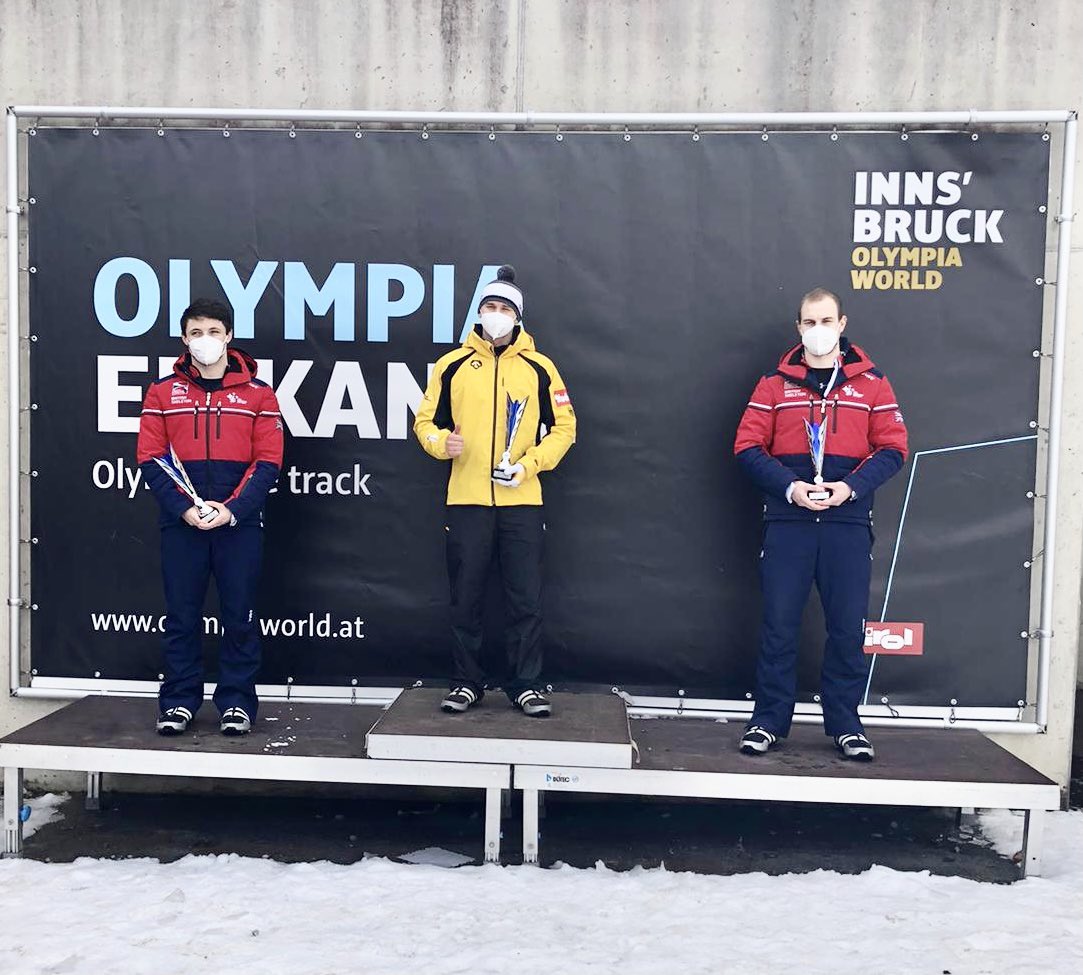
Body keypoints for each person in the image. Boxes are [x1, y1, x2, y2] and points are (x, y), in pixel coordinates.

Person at [733, 287, 907, 760]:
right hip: (788, 520)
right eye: (809, 323)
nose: (817, 331)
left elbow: (893, 447)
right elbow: (747, 447)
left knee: (849, 629)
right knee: (778, 626)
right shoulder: (773, 384)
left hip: (847, 520)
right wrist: (790, 487)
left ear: (842, 323)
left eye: (826, 321)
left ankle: (847, 724)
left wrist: (847, 488)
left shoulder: (872, 383)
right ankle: (768, 721)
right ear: (798, 328)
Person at [413, 265, 576, 717]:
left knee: (525, 596)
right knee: (466, 595)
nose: (496, 314)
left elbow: (566, 428)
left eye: (505, 308)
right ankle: (466, 682)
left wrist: (528, 466)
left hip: (522, 500)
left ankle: (525, 684)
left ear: (518, 317)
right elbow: (423, 422)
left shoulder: (540, 367)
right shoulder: (453, 365)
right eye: (490, 307)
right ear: (479, 312)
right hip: (466, 500)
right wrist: (440, 443)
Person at [137, 298, 284, 736]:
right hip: (181, 523)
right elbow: (151, 457)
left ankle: (236, 702)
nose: (205, 341)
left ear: (229, 336)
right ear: (184, 339)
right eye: (196, 333)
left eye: (213, 332)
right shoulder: (162, 393)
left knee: (239, 615)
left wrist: (232, 510)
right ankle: (179, 701)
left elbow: (268, 462)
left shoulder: (259, 394)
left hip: (237, 524)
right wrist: (185, 508)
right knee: (181, 615)